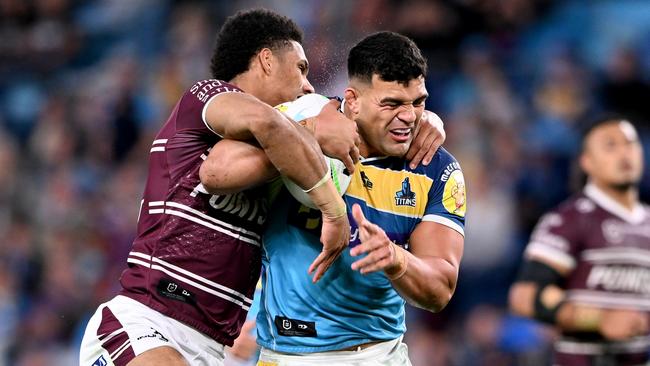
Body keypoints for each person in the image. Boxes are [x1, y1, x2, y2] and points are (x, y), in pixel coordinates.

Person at [78, 9, 358, 366]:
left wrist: (428, 123)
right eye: (300, 68)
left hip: (215, 350)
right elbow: (261, 124)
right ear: (267, 61)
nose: (308, 85)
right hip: (147, 320)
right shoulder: (205, 96)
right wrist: (331, 204)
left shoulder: (275, 168)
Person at [208, 31, 466, 365]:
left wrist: (395, 259)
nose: (409, 117)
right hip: (290, 355)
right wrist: (306, 134)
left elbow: (441, 289)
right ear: (353, 101)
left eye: (418, 102)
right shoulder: (300, 122)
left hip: (381, 354)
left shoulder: (436, 169)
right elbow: (216, 171)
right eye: (391, 104)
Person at [509, 117, 650, 366]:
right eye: (610, 146)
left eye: (630, 144)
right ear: (587, 162)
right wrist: (600, 319)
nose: (624, 153)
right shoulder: (569, 220)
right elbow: (524, 296)